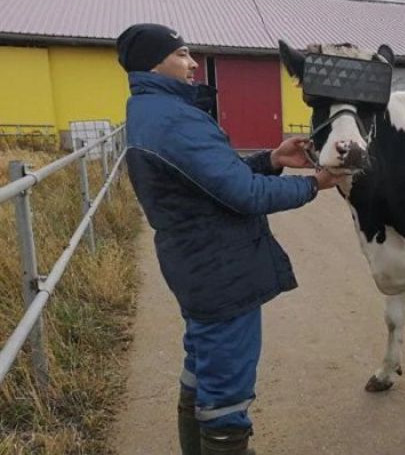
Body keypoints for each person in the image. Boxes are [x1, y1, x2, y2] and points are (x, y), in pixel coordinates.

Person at [116, 23, 342, 455]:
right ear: (154, 62)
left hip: (197, 262)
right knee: (227, 393)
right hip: (219, 269)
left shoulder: (152, 111)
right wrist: (314, 183)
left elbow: (215, 180)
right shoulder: (174, 119)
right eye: (182, 53)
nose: (193, 62)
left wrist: (272, 159)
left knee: (202, 369)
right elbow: (244, 194)